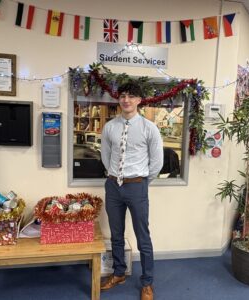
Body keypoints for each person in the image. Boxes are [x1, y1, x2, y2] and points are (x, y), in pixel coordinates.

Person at [100, 81, 163, 300]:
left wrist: (141, 182)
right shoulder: (109, 127)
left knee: (142, 237)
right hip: (113, 187)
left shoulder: (149, 128)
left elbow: (157, 163)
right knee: (116, 234)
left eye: (131, 96)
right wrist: (114, 176)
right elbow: (105, 156)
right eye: (123, 96)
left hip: (137, 186)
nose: (126, 100)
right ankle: (119, 273)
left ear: (139, 100)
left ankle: (147, 283)